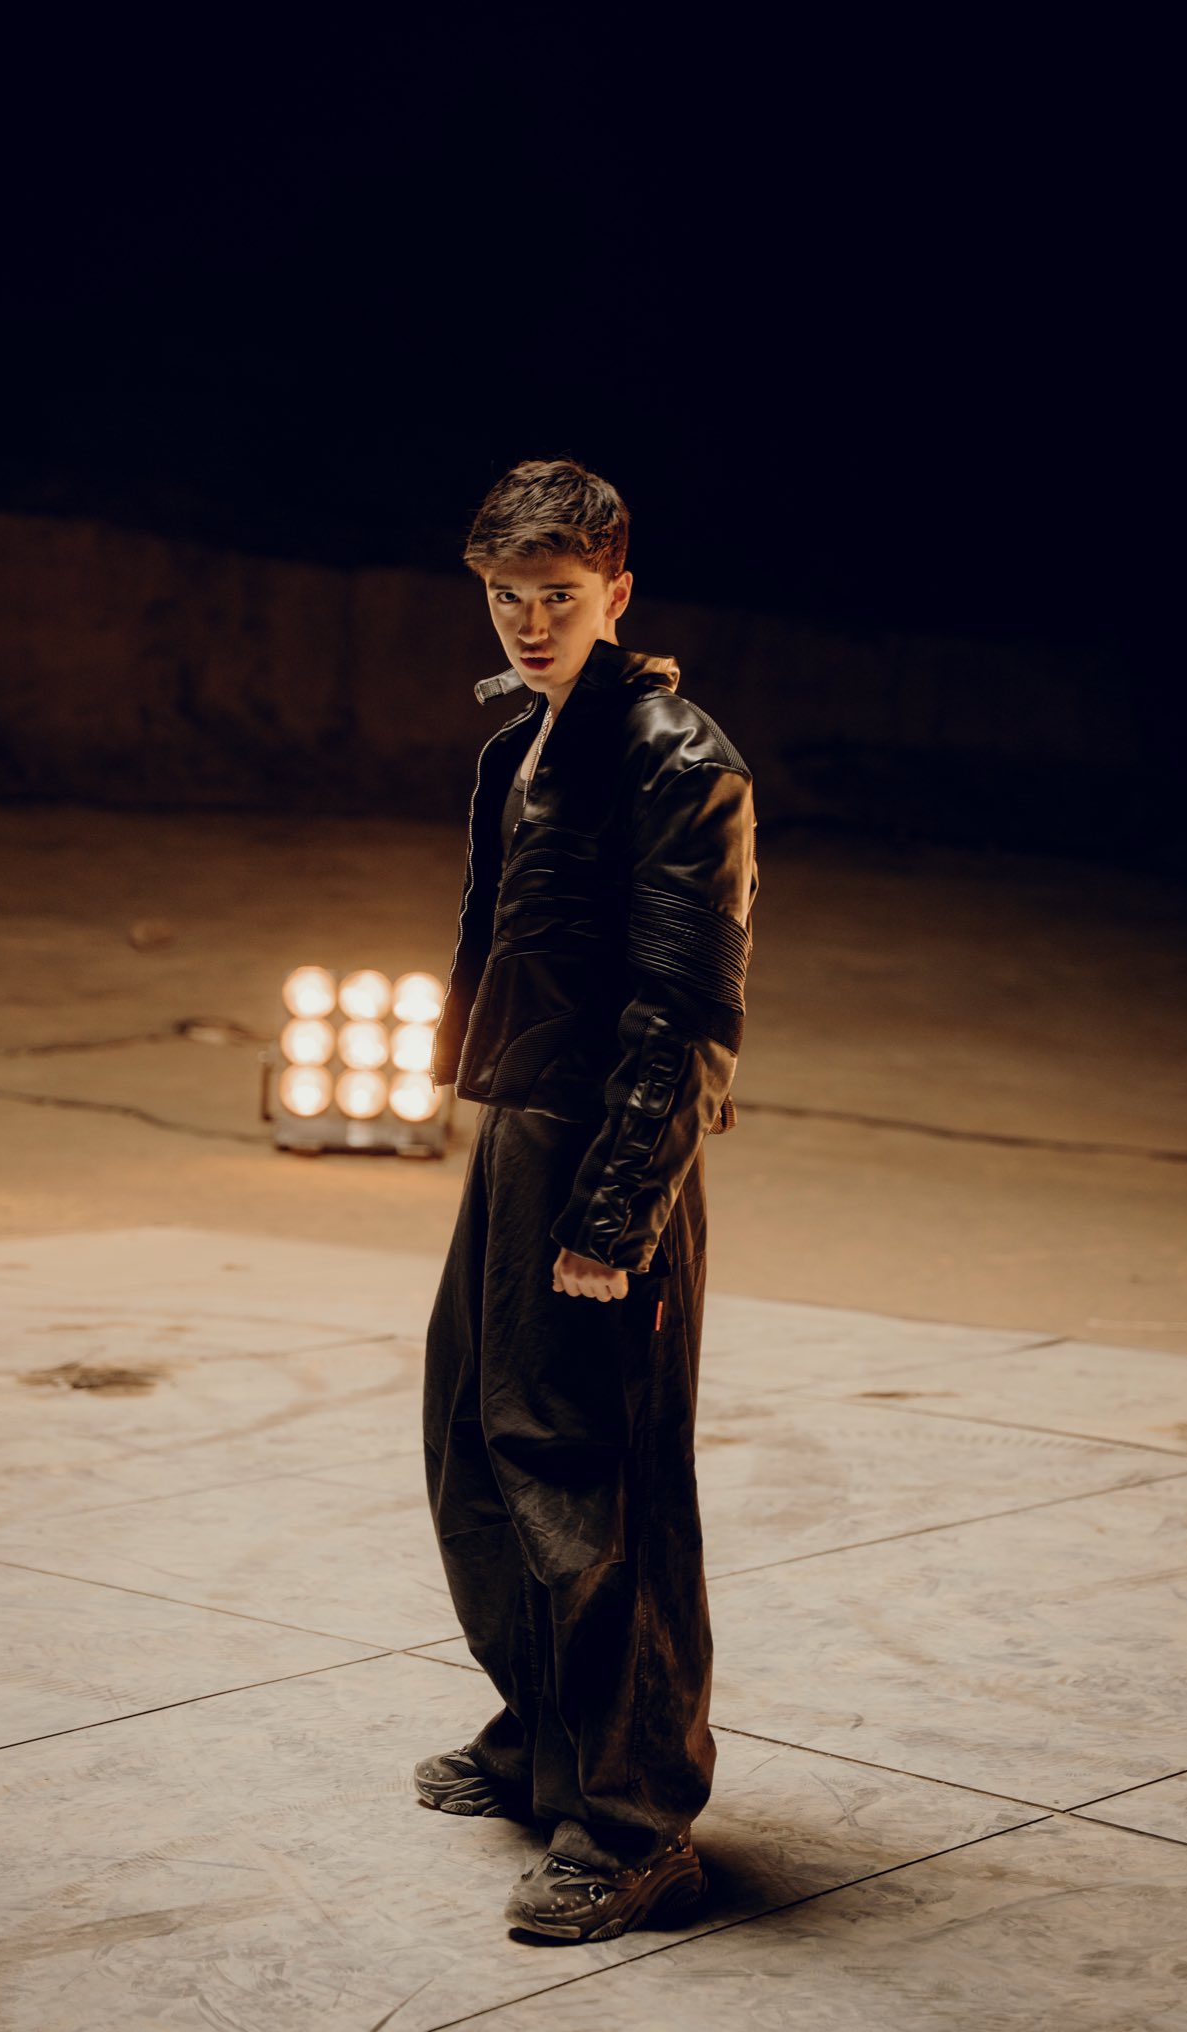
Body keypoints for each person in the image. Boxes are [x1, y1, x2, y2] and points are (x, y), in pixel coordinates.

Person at [418, 457, 759, 1942]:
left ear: (616, 590)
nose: (529, 623)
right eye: (507, 597)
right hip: (520, 1129)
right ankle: (546, 1736)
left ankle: (633, 1822)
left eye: (558, 595)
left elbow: (684, 1011)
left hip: (608, 1151)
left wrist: (615, 1215)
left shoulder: (682, 762)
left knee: (591, 1482)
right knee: (473, 1449)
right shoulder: (524, 739)